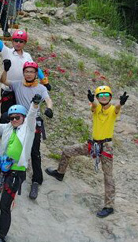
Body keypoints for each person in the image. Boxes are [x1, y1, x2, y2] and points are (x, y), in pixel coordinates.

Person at [47, 87, 129, 218]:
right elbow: (95, 106)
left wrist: (121, 103)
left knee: (108, 176)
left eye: (106, 94)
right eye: (100, 95)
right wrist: (92, 100)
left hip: (106, 146)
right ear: (96, 97)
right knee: (67, 151)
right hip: (93, 144)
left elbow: (117, 109)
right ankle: (60, 173)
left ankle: (109, 206)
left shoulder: (113, 110)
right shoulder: (96, 109)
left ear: (110, 96)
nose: (103, 97)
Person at [0, 95, 41, 242]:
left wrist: (35, 104)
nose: (14, 120)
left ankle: (1, 238)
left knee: (5, 206)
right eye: (11, 117)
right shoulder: (7, 127)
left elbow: (32, 116)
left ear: (23, 117)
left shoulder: (28, 128)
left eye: (17, 117)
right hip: (3, 166)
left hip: (16, 172)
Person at [0, 59, 53, 199]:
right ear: (23, 73)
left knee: (35, 151)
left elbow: (48, 99)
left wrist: (49, 109)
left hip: (33, 122)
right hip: (18, 121)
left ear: (36, 74)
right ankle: (8, 171)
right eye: (26, 71)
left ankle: (36, 180)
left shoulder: (41, 88)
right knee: (13, 146)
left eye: (31, 72)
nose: (29, 74)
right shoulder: (18, 84)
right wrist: (5, 69)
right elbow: (3, 81)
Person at [0, 29, 45, 121]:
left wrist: (44, 80)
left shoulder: (27, 56)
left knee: (21, 117)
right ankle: (5, 135)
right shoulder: (7, 52)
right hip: (8, 90)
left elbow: (35, 68)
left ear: (25, 43)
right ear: (12, 41)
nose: (18, 43)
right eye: (16, 40)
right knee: (6, 116)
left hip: (22, 91)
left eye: (21, 41)